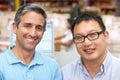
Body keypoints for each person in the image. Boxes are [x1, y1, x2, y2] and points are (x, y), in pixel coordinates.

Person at [0, 3, 62, 80]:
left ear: (43, 32)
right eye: (27, 26)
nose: (33, 33)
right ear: (15, 28)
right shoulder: (1, 64)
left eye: (39, 28)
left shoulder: (53, 67)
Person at [62, 13, 120, 80]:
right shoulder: (65, 74)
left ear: (106, 35)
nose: (87, 43)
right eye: (79, 37)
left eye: (92, 35)